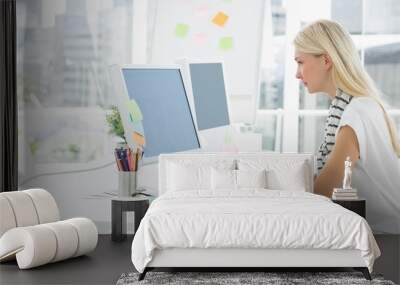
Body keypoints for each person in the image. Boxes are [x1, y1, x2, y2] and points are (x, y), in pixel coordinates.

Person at [293, 19, 400, 234]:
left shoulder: (356, 113)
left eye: (300, 62)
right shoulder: (353, 107)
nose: (297, 73)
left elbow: (324, 190)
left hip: (388, 239)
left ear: (325, 60)